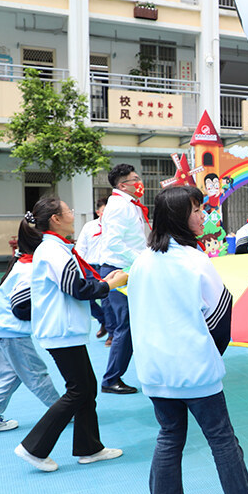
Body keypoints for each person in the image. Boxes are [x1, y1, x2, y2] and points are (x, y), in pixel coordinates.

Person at [128, 186, 248, 494]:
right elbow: (222, 312)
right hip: (195, 370)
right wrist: (209, 350)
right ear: (179, 217)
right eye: (195, 210)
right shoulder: (194, 261)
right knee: (221, 438)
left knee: (168, 436)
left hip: (154, 370)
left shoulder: (141, 261)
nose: (201, 216)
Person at [15, 197, 127, 473]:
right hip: (60, 331)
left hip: (66, 331)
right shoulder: (53, 251)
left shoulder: (58, 248)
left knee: (86, 388)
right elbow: (76, 288)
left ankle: (89, 447)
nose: (72, 214)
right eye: (68, 210)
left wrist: (103, 283)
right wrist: (108, 285)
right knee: (79, 390)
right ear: (55, 218)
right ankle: (34, 447)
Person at [0, 215, 61, 435]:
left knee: (10, 376)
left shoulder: (22, 261)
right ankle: (63, 412)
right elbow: (21, 307)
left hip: (2, 329)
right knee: (36, 373)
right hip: (12, 332)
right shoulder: (29, 269)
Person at [99, 163, 149, 395]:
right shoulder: (120, 206)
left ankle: (121, 373)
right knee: (125, 324)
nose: (140, 183)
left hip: (130, 267)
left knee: (134, 323)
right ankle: (111, 379)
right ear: (123, 185)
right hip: (119, 270)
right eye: (135, 179)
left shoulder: (130, 205)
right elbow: (114, 243)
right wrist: (141, 259)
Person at [76, 197, 110, 340]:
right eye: (104, 211)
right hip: (90, 267)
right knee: (87, 299)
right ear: (98, 212)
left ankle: (112, 333)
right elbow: (81, 248)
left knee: (107, 301)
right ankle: (104, 320)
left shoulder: (115, 227)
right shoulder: (89, 227)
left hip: (106, 266)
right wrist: (78, 267)